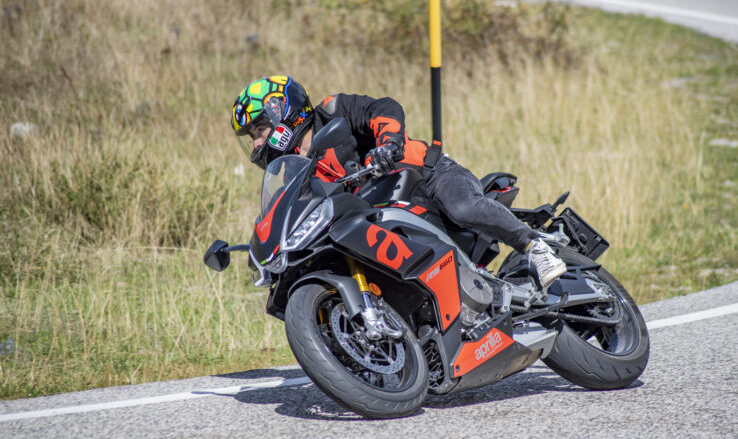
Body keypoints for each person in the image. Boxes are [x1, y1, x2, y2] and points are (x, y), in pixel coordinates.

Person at [230, 75, 566, 289]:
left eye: (259, 130)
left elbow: (383, 108)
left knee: (463, 207)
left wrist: (387, 144)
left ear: (282, 112)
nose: (256, 144)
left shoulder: (332, 111)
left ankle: (534, 247)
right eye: (251, 137)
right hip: (381, 214)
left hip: (427, 175)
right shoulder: (294, 173)